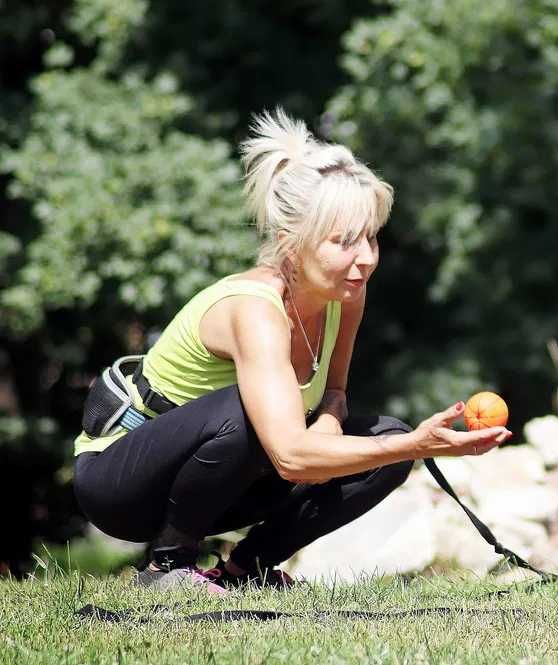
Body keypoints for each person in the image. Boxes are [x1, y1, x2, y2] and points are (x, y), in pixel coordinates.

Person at [72, 109, 512, 593]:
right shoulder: (253, 310)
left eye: (371, 237)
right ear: (290, 244)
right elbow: (289, 458)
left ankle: (246, 571)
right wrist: (417, 447)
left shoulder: (344, 293)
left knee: (385, 438)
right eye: (343, 241)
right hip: (121, 483)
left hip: (224, 483)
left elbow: (336, 391)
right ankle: (166, 568)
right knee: (245, 416)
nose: (365, 257)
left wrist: (334, 423)